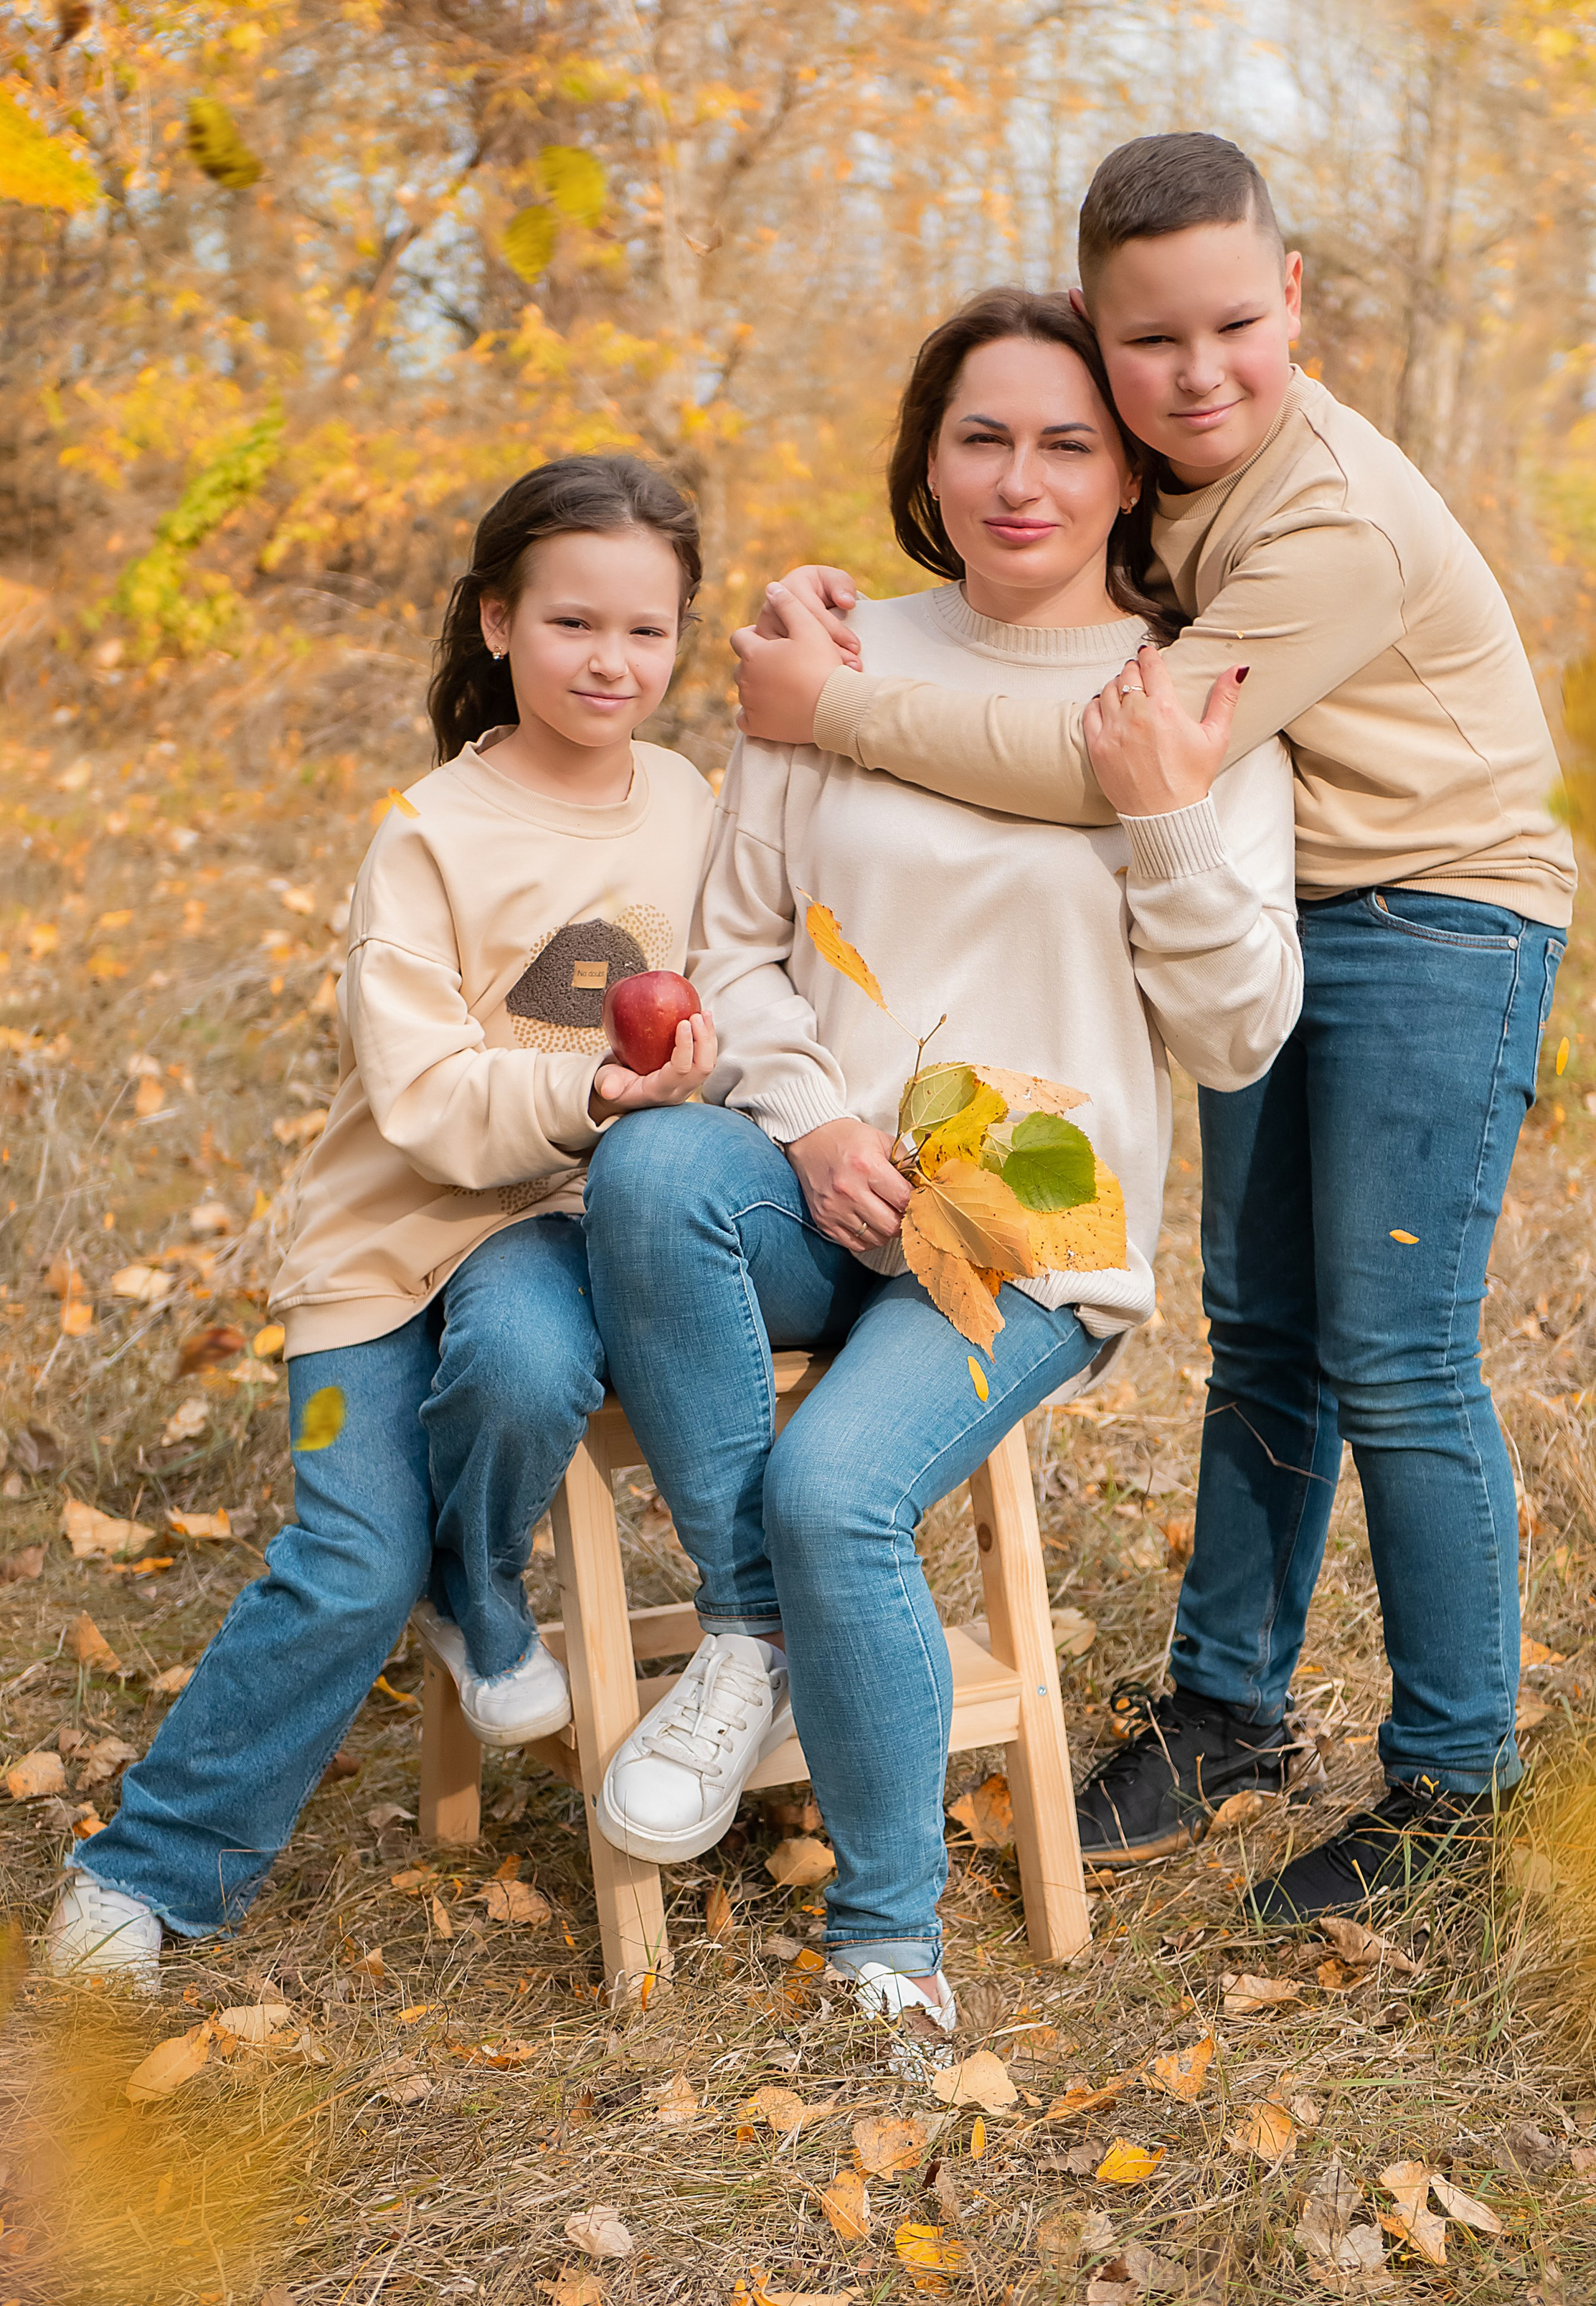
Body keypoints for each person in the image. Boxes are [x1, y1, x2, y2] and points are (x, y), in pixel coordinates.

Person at [735, 133, 1575, 1924]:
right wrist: (847, 604)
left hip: (1437, 909)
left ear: (1296, 300)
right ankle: (1226, 1707)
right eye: (1148, 343)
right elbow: (1031, 628)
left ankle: (1456, 1779)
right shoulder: (1170, 477)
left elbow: (1100, 760)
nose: (1196, 373)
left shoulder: (1324, 517)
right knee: (1264, 1325)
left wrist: (840, 702)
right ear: (1101, 344)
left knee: (1394, 1349)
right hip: (1274, 903)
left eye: (1229, 327)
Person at [582, 287, 1300, 2038]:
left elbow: (1237, 1032)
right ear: (925, 456)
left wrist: (1161, 812)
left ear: (1128, 470)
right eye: (980, 435)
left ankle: (885, 1942)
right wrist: (814, 1118)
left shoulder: (1187, 693)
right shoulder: (829, 660)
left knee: (840, 1484)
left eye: (1066, 441)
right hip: (819, 1180)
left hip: (1033, 1229)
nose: (1020, 478)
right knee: (650, 1177)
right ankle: (745, 1634)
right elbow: (737, 942)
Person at [46, 456, 718, 1989]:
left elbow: (729, 996)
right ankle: (144, 1872)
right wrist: (593, 1091)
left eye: (646, 631)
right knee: (348, 1558)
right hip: (377, 1243)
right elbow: (418, 1098)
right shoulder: (429, 832)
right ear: (496, 621)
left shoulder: (686, 801)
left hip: (545, 1219)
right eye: (570, 622)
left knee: (529, 1369)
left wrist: (681, 1080)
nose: (610, 660)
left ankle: (476, 1576)